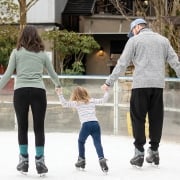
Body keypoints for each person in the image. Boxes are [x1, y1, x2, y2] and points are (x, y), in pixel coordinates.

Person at [102, 18, 180, 167]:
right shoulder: (163, 40)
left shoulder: (134, 41)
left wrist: (109, 82)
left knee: (138, 118)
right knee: (156, 118)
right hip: (157, 86)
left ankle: (139, 154)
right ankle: (154, 152)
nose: (132, 34)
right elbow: (175, 62)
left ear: (137, 27)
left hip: (140, 86)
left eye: (132, 31)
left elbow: (122, 64)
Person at [0, 25, 61, 175]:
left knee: (22, 126)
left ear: (22, 37)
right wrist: (58, 85)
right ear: (36, 37)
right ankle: (40, 162)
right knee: (39, 127)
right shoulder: (42, 54)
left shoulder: (16, 52)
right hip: (38, 92)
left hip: (20, 92)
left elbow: (7, 74)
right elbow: (53, 73)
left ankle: (24, 161)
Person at [55, 86, 109, 173]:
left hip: (86, 125)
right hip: (95, 124)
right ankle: (101, 158)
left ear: (75, 95)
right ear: (85, 93)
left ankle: (81, 160)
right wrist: (106, 91)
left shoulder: (77, 103)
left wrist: (60, 94)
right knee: (97, 142)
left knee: (81, 141)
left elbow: (64, 104)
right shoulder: (92, 100)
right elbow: (103, 100)